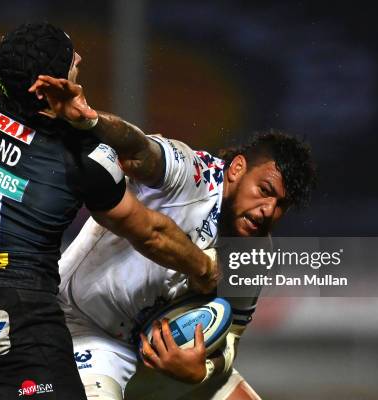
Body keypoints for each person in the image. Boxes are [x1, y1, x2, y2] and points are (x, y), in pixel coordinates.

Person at [0, 23, 219, 400]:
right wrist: (203, 269)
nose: (80, 60)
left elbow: (14, 78)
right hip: (19, 319)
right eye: (71, 60)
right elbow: (150, 233)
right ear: (47, 87)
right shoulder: (84, 157)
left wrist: (70, 115)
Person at [29, 76, 316, 399]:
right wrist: (91, 121)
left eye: (281, 205)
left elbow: (231, 335)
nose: (267, 210)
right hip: (84, 329)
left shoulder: (255, 253)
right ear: (236, 169)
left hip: (162, 357)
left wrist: (202, 369)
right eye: (265, 191)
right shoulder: (192, 175)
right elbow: (137, 148)